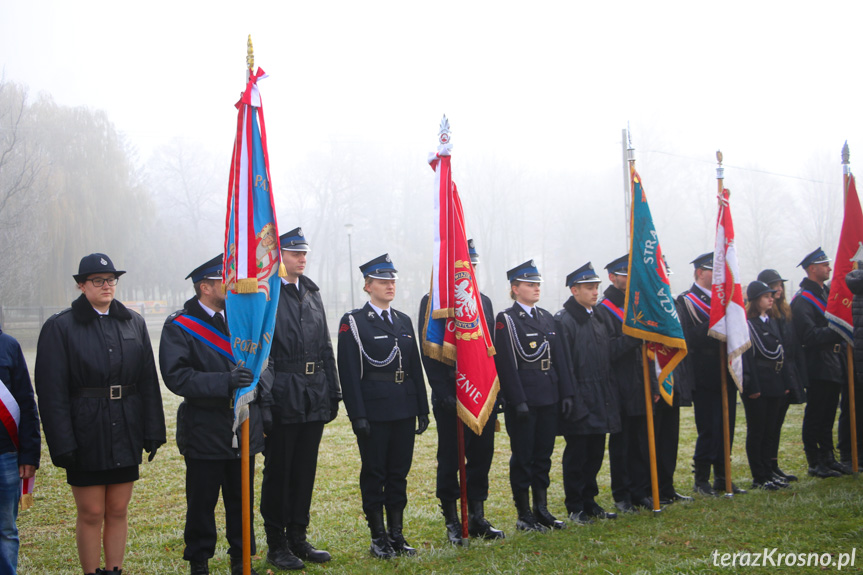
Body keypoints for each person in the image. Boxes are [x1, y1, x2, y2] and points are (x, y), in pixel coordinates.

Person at [35, 253, 166, 575]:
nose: (106, 286)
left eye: (111, 280)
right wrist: (62, 442)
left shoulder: (133, 322)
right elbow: (51, 392)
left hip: (126, 425)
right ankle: (91, 571)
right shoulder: (60, 326)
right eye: (97, 281)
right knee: (92, 511)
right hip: (86, 429)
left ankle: (115, 570)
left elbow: (148, 380)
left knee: (118, 508)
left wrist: (153, 430)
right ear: (82, 285)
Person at [160, 254, 271, 575]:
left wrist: (262, 391)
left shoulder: (241, 320)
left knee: (241, 501)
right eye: (225, 281)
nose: (233, 285)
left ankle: (242, 558)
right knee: (201, 503)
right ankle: (199, 561)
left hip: (243, 426)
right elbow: (176, 377)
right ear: (205, 287)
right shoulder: (180, 325)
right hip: (204, 428)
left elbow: (265, 361)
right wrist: (224, 382)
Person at [337, 254, 429, 559]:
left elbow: (414, 367)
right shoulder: (354, 322)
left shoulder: (402, 320)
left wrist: (422, 408)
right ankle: (378, 538)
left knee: (398, 474)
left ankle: (396, 535)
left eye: (392, 280)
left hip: (403, 407)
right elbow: (349, 373)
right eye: (382, 281)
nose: (390, 285)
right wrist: (358, 415)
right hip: (374, 411)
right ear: (367, 285)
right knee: (375, 473)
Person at [260, 228, 340, 570]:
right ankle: (276, 543)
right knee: (280, 471)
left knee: (305, 470)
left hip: (314, 391)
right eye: (295, 254)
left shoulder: (311, 292)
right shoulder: (268, 293)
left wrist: (334, 390)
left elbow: (325, 345)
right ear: (280, 256)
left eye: (304, 254)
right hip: (283, 392)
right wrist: (266, 399)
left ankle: (298, 536)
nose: (302, 259)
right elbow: (263, 352)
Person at [418, 239, 504, 545]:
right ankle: (453, 519)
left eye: (475, 266)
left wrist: (497, 391)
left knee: (482, 457)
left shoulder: (485, 302)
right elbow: (428, 351)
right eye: (467, 265)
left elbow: (490, 352)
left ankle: (477, 515)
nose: (472, 270)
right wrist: (442, 391)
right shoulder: (433, 301)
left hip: (481, 394)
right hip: (452, 395)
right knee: (451, 458)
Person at [495, 260, 574, 532]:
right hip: (525, 399)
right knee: (523, 457)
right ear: (515, 289)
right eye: (530, 284)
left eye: (538, 283)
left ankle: (542, 509)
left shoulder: (546, 317)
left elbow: (560, 358)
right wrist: (517, 400)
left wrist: (566, 392)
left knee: (543, 455)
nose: (536, 288)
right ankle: (524, 514)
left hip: (549, 394)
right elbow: (506, 364)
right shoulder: (506, 320)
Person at [555, 262, 620, 524]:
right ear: (574, 291)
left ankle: (590, 500)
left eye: (596, 287)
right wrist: (570, 397)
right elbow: (565, 363)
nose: (595, 292)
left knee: (595, 452)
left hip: (602, 393)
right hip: (580, 395)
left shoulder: (599, 316)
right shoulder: (565, 320)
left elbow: (608, 354)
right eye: (589, 288)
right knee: (577, 454)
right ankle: (575, 505)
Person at [676, 252, 744, 495]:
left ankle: (724, 477)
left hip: (727, 370)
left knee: (727, 426)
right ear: (699, 273)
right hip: (704, 374)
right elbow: (687, 337)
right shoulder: (685, 301)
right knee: (709, 428)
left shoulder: (725, 301)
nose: (718, 276)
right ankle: (702, 479)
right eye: (712, 271)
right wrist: (715, 324)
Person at [597, 254, 654, 514]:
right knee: (622, 444)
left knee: (641, 441)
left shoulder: (638, 304)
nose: (629, 279)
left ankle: (641, 491)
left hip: (641, 382)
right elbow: (607, 350)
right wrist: (633, 336)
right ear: (612, 277)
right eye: (624, 274)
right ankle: (622, 494)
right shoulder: (604, 309)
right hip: (618, 385)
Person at [791, 248, 850, 477]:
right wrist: (838, 330)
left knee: (828, 415)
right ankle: (815, 461)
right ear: (812, 268)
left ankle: (828, 457)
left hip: (833, 361)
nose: (830, 268)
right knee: (816, 413)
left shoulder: (826, 294)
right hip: (817, 364)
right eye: (825, 265)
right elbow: (809, 336)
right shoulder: (803, 299)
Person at [757, 269, 805, 483]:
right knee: (767, 425)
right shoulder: (768, 316)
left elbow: (792, 346)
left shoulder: (785, 311)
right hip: (773, 374)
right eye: (774, 286)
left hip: (787, 372)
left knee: (777, 423)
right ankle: (765, 468)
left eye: (780, 285)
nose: (779, 289)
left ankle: (773, 464)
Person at [741, 281, 790, 490]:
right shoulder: (748, 324)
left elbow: (781, 352)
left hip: (775, 380)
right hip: (759, 381)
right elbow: (747, 358)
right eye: (766, 296)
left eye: (771, 295)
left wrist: (786, 381)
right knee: (758, 430)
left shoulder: (771, 321)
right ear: (755, 300)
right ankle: (759, 476)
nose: (771, 298)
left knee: (771, 429)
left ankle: (769, 470)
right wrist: (752, 386)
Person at [0, 324, 40, 574]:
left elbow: (26, 401)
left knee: (5, 529)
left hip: (5, 454)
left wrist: (29, 453)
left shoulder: (9, 346)